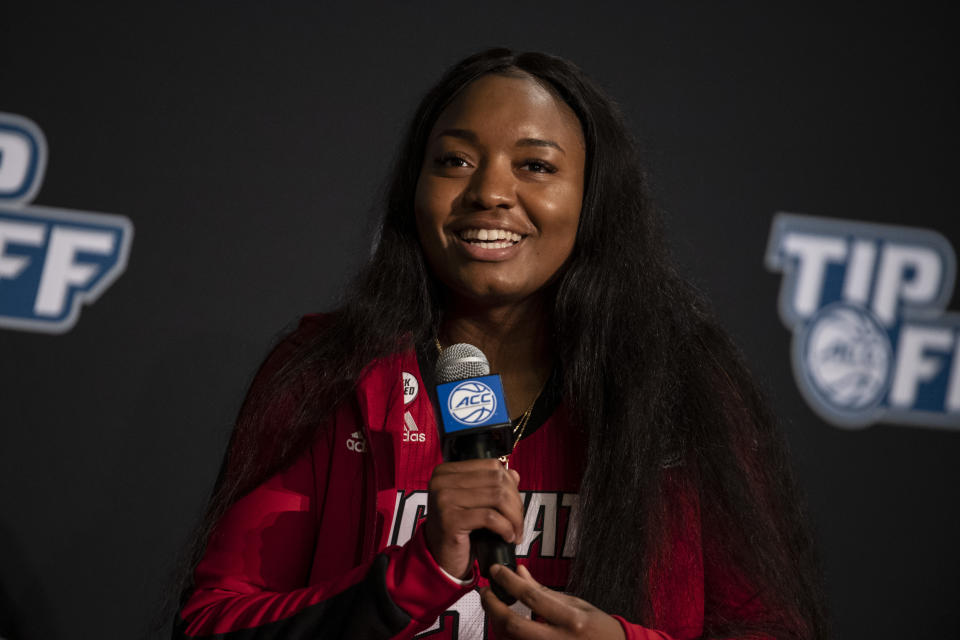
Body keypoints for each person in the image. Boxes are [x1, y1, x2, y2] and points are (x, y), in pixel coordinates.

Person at [172, 48, 828, 639]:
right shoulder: (328, 372)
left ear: (592, 198)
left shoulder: (682, 389)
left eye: (535, 165)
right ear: (415, 189)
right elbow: (209, 626)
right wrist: (408, 577)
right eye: (455, 160)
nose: (489, 192)